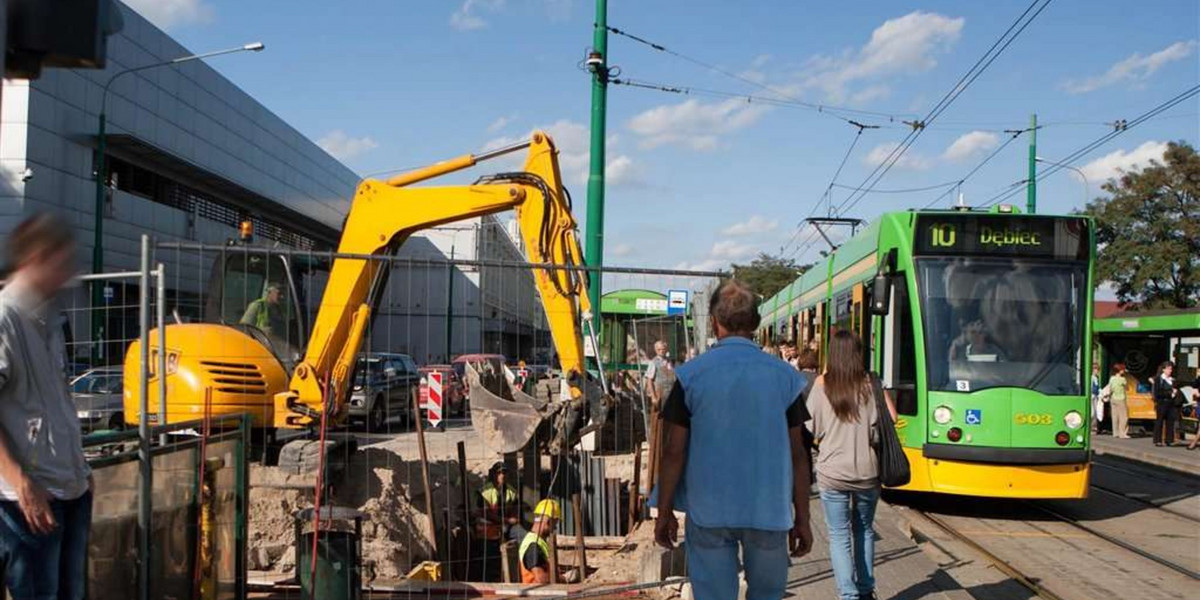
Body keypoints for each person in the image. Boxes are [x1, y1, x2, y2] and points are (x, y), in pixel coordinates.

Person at [654, 279, 813, 600]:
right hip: (769, 510)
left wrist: (665, 510)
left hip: (709, 510)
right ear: (756, 323)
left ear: (714, 321)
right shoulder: (785, 377)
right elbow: (799, 455)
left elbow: (674, 452)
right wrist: (803, 518)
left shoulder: (690, 376)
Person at [0, 213, 93, 600]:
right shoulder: (6, 317)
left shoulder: (47, 319)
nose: (68, 273)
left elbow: (55, 404)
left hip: (67, 489)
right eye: (62, 261)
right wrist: (21, 481)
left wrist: (80, 470)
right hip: (28, 500)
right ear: (38, 256)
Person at [806, 329, 897, 600]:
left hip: (832, 472)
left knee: (837, 535)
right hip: (867, 472)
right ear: (859, 353)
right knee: (864, 530)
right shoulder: (871, 383)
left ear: (832, 354)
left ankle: (848, 595)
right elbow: (892, 417)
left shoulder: (823, 384)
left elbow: (811, 428)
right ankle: (867, 589)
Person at [476, 462, 525, 544]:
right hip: (489, 525)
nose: (502, 475)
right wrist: (507, 520)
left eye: (504, 472)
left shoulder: (512, 491)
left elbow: (515, 509)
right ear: (493, 474)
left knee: (524, 535)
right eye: (499, 473)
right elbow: (485, 514)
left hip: (507, 526)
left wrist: (514, 518)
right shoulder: (484, 491)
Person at [519, 499, 563, 584]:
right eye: (555, 524)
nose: (555, 528)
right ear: (548, 522)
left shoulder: (538, 542)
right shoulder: (533, 545)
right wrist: (564, 579)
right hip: (537, 594)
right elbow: (541, 579)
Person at [1151, 361, 1180, 447]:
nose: (1170, 371)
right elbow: (1157, 393)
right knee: (1159, 421)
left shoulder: (1173, 380)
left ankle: (1169, 440)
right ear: (1163, 369)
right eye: (1168, 369)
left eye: (1171, 369)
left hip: (1171, 403)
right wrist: (1170, 393)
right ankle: (1158, 440)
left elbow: (1177, 389)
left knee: (1170, 421)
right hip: (1162, 402)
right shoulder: (1158, 379)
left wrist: (1175, 393)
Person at [644, 340, 675, 411]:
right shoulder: (653, 363)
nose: (661, 351)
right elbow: (649, 380)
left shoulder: (670, 362)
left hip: (671, 393)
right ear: (656, 350)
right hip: (660, 394)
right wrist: (653, 397)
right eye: (659, 349)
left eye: (663, 349)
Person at [1107, 363, 1129, 439]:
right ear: (1120, 371)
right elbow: (1127, 388)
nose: (1123, 371)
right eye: (1123, 370)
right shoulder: (1123, 379)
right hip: (1121, 398)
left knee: (1115, 416)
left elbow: (1110, 388)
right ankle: (1122, 433)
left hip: (1113, 398)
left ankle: (1115, 432)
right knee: (1123, 416)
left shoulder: (1112, 378)